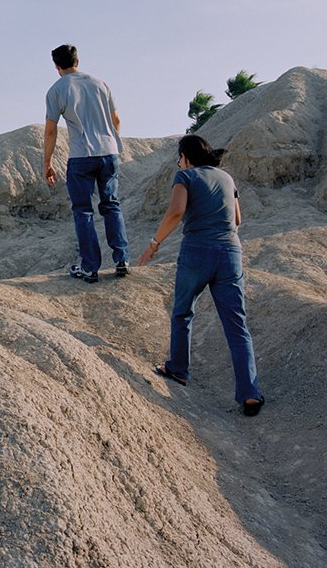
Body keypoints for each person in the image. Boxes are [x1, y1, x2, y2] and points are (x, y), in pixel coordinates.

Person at [138, 134, 264, 416]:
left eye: (179, 158)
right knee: (237, 325)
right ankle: (250, 393)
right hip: (230, 253)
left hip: (197, 251)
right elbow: (238, 219)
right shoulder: (227, 178)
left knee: (183, 312)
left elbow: (176, 212)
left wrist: (154, 244)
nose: (178, 163)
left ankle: (178, 369)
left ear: (185, 157)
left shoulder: (185, 177)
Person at [43, 44, 130, 283]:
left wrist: (47, 162)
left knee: (83, 211)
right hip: (109, 152)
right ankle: (122, 260)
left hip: (81, 155)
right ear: (77, 61)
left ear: (56, 66)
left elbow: (50, 131)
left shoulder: (57, 90)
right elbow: (116, 120)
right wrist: (111, 141)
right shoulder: (100, 84)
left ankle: (90, 267)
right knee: (111, 205)